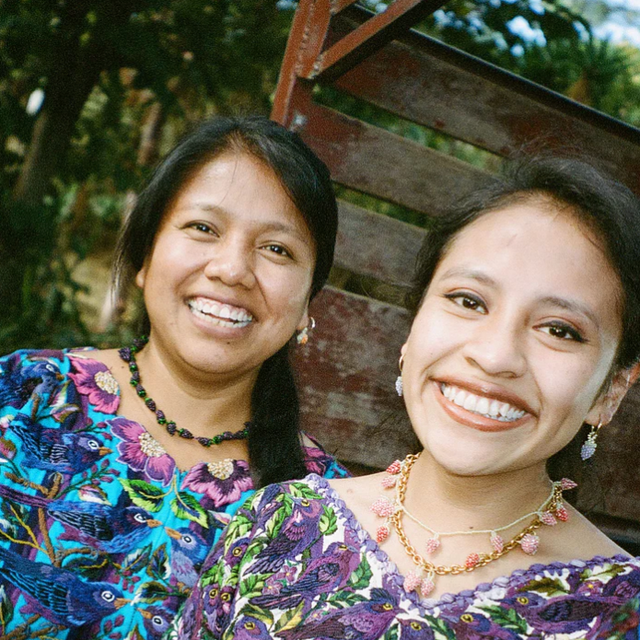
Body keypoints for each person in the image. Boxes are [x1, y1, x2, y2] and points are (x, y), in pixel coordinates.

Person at [168, 155, 640, 639]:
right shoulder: (277, 520)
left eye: (559, 330)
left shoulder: (622, 614)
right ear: (411, 332)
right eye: (468, 301)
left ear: (611, 391)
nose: (496, 356)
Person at [0, 116, 348, 640]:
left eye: (277, 249)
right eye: (203, 228)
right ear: (146, 256)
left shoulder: (324, 512)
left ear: (305, 307)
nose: (232, 269)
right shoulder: (27, 395)